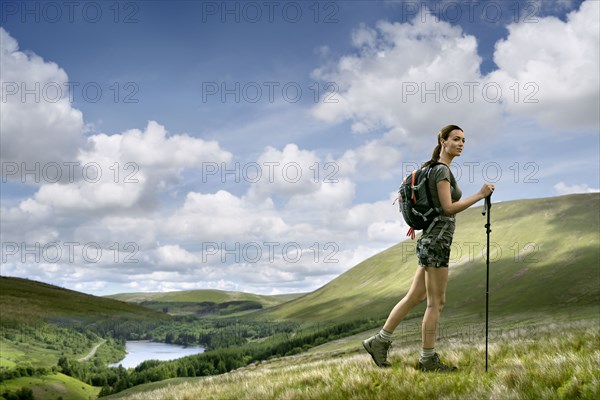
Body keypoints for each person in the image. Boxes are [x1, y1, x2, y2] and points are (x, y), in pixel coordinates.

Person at [362, 125, 495, 372]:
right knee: (436, 303)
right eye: (456, 139)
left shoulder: (430, 169)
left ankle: (379, 341)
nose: (461, 143)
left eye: (464, 140)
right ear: (443, 141)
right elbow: (448, 208)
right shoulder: (441, 171)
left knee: (415, 297)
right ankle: (428, 360)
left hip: (429, 240)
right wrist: (480, 194)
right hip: (436, 243)